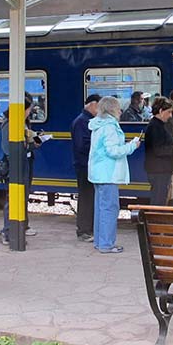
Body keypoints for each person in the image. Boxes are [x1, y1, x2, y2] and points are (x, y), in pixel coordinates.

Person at [88, 96, 140, 253]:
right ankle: (106, 244)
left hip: (99, 173)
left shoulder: (98, 125)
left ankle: (100, 241)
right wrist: (132, 146)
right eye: (118, 108)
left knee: (101, 209)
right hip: (108, 173)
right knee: (110, 209)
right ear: (111, 109)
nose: (120, 111)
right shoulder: (110, 127)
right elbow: (113, 151)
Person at [0, 92, 37, 245]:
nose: (30, 112)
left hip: (24, 164)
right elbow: (10, 148)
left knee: (21, 198)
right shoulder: (10, 124)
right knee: (13, 199)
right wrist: (28, 146)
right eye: (29, 109)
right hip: (15, 166)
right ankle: (8, 232)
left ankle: (18, 229)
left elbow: (25, 143)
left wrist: (34, 143)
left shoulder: (21, 122)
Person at [71, 94, 101, 242]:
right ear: (92, 104)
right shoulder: (81, 122)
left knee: (91, 197)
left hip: (90, 164)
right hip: (84, 165)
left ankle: (90, 228)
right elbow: (81, 145)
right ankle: (83, 230)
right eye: (99, 106)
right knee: (86, 197)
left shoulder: (89, 121)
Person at [144, 97, 173, 206]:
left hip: (161, 170)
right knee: (158, 201)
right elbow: (158, 150)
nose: (170, 116)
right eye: (168, 112)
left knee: (160, 199)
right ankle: (154, 221)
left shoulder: (158, 125)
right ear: (160, 111)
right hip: (159, 170)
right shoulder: (155, 127)